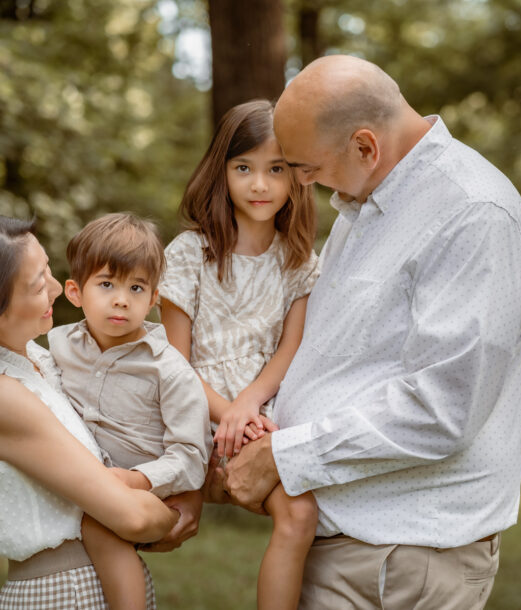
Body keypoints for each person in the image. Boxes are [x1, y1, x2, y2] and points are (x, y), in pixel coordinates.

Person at [222, 55, 521, 609]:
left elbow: (444, 407)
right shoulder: (364, 208)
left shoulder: (472, 214)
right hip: (349, 543)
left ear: (365, 146)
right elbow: (342, 361)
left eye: (304, 166)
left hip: (400, 558)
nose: (299, 182)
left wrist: (286, 456)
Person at [159, 99, 320, 610]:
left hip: (260, 418)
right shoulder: (191, 252)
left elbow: (290, 347)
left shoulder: (298, 259)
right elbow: (174, 362)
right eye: (244, 168)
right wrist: (228, 412)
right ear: (221, 171)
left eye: (276, 170)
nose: (259, 185)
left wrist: (248, 406)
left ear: (296, 176)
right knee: (138, 517)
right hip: (192, 412)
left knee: (300, 515)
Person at [0, 216, 178, 609]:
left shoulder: (39, 360)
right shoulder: (5, 395)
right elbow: (130, 517)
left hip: (96, 578)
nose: (54, 288)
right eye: (35, 285)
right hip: (60, 591)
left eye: (47, 268)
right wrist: (170, 514)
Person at [47, 213, 212, 609]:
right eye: (107, 284)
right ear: (75, 292)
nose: (122, 298)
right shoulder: (57, 347)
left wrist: (136, 479)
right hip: (76, 476)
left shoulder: (169, 370)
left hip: (136, 491)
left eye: (136, 287)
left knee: (98, 523)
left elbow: (191, 457)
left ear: (154, 298)